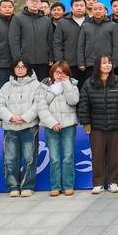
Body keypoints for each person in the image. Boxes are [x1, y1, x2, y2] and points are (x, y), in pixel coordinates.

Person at [78, 54, 118, 194]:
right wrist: (86, 123)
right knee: (98, 155)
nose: (107, 65)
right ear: (98, 66)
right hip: (96, 127)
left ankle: (114, 182)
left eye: (109, 63)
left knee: (116, 155)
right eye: (104, 63)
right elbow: (83, 104)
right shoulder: (89, 83)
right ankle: (98, 183)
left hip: (116, 126)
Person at [0, 59, 43, 197]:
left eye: (23, 67)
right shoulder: (6, 86)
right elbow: (0, 105)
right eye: (17, 67)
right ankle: (13, 186)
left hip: (29, 126)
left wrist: (24, 117)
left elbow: (38, 104)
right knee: (10, 159)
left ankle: (27, 186)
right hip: (10, 127)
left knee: (29, 158)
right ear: (13, 69)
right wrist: (11, 117)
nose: (20, 69)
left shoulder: (37, 85)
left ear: (28, 69)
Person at [38, 61, 80, 196]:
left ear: (67, 74)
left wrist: (66, 84)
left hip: (68, 125)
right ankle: (55, 186)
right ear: (52, 72)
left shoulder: (72, 85)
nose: (60, 75)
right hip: (51, 126)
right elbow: (41, 107)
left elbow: (73, 101)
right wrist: (53, 123)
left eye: (63, 72)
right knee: (54, 158)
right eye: (57, 72)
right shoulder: (44, 87)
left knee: (68, 156)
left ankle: (68, 185)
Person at [8, 0, 53, 81]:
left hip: (43, 61)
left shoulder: (47, 20)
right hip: (24, 61)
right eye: (32, 1)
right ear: (26, 2)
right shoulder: (18, 18)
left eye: (37, 1)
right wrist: (18, 59)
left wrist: (50, 57)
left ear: (40, 4)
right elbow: (14, 41)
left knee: (42, 85)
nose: (34, 3)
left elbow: (50, 40)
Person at [78, 1, 118, 80]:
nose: (98, 11)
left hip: (107, 64)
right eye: (95, 9)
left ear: (105, 11)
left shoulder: (113, 25)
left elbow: (117, 46)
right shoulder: (85, 26)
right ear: (91, 11)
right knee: (91, 85)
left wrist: (114, 63)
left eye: (100, 9)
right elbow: (81, 46)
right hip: (90, 64)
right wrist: (81, 63)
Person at [54, 0, 88, 87]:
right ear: (71, 8)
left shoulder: (91, 22)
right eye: (76, 5)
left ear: (85, 7)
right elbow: (57, 44)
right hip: (69, 63)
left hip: (88, 64)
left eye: (82, 5)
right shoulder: (63, 22)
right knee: (70, 88)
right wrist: (60, 62)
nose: (79, 8)